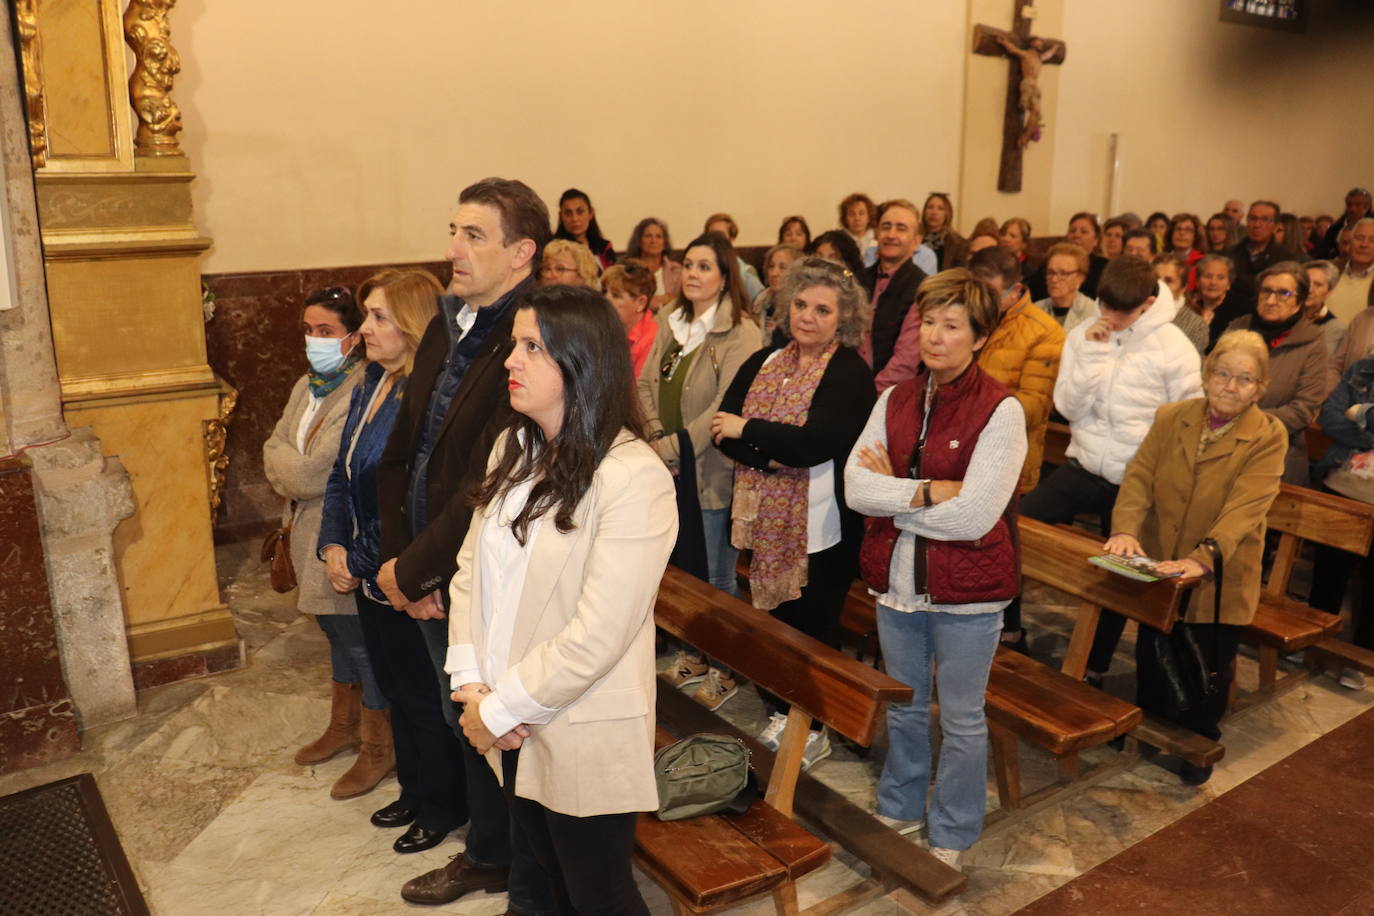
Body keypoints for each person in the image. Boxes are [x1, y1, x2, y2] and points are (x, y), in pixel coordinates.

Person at [444, 285, 675, 916]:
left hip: (579, 720)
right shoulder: (514, 448)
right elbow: (469, 572)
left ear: (580, 362)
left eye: (531, 348)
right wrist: (471, 682)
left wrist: (500, 709)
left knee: (598, 895)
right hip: (511, 715)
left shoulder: (633, 478)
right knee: (543, 874)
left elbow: (598, 633)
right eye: (514, 345)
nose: (511, 362)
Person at [375, 178, 556, 912]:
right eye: (454, 230)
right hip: (422, 569)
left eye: (473, 236)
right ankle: (489, 845)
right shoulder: (451, 324)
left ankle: (503, 858)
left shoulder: (529, 337)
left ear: (521, 252)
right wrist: (397, 564)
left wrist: (419, 568)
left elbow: (489, 477)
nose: (453, 250)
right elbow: (403, 452)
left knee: (488, 720)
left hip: (477, 570)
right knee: (459, 715)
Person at [845, 268, 1027, 871]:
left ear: (979, 338)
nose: (936, 337)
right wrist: (925, 495)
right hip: (898, 586)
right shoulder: (894, 398)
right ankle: (900, 802)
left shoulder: (1001, 410)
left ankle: (952, 826)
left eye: (953, 326)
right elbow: (854, 487)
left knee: (964, 716)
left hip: (969, 595)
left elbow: (975, 518)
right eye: (929, 323)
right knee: (904, 703)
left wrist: (892, 498)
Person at [711, 258, 875, 767]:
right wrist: (769, 450)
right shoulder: (764, 362)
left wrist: (752, 432)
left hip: (823, 527)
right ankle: (785, 710)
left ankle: (817, 724)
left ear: (843, 319)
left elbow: (816, 444)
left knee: (814, 627)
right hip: (767, 521)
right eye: (801, 305)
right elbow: (721, 431)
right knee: (776, 623)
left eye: (823, 310)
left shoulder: (848, 371)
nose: (808, 317)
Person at [1105, 329, 1285, 784]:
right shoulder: (1173, 416)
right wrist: (1126, 528)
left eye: (1245, 379)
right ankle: (1150, 728)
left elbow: (1247, 505)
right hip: (1161, 559)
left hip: (1220, 572)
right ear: (1206, 375)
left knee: (1207, 666)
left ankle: (1196, 748)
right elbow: (1140, 474)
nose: (1230, 385)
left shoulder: (1268, 435)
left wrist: (1203, 557)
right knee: (1153, 650)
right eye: (1222, 373)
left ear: (1260, 387)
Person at [1022, 256, 1202, 668]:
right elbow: (1066, 407)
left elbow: (1186, 425)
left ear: (1148, 302)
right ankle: (1010, 630)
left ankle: (1096, 666)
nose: (1110, 317)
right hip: (1083, 465)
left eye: (1122, 311)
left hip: (1136, 482)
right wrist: (1095, 355)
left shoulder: (1175, 348)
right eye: (1104, 306)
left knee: (1123, 574)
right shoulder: (1085, 333)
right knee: (1018, 526)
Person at [317, 270, 445, 829]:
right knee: (393, 688)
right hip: (365, 567)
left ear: (413, 326)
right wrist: (332, 544)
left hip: (401, 570)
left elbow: (405, 500)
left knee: (422, 698)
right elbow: (342, 476)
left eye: (378, 317)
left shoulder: (425, 394)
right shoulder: (372, 381)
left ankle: (441, 807)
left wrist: (362, 559)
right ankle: (414, 792)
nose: (365, 328)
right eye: (367, 315)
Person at [638, 231, 761, 710]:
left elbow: (718, 410)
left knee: (717, 577)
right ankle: (695, 654)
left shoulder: (741, 332)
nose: (692, 273)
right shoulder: (673, 321)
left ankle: (725, 667)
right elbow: (645, 382)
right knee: (683, 569)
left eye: (704, 266)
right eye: (688, 264)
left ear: (726, 275)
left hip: (710, 473)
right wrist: (653, 437)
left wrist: (664, 449)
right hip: (668, 468)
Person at [265, 286, 376, 797]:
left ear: (353, 338)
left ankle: (379, 745)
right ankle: (343, 726)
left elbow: (312, 472)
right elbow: (273, 444)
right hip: (302, 527)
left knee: (356, 639)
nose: (315, 340)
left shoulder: (359, 388)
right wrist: (288, 467)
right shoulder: (303, 386)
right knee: (333, 635)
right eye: (309, 330)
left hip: (337, 534)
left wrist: (287, 469)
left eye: (326, 331)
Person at [1223, 261, 1335, 486]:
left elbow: (1304, 409)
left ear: (1299, 300)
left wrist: (1247, 421)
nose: (1272, 301)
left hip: (1276, 454)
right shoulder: (1237, 328)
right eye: (1266, 291)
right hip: (1223, 447)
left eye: (1283, 293)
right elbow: (1212, 379)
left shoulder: (1312, 342)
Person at [1309, 352, 1374, 690]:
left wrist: (1360, 414)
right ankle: (1314, 643)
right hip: (1342, 484)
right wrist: (1369, 429)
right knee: (1328, 573)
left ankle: (1359, 658)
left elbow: (1348, 419)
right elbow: (1330, 418)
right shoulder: (1362, 369)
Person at [860, 199, 929, 376]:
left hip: (889, 392)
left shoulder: (923, 288)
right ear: (877, 234)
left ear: (916, 241)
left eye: (901, 228)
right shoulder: (858, 279)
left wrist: (870, 397)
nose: (891, 235)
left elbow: (906, 362)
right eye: (886, 226)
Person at [1026, 213, 1107, 301]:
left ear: (1096, 239)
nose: (1076, 235)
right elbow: (1034, 292)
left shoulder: (1104, 267)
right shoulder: (1052, 262)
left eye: (1084, 232)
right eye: (1072, 231)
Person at [601, 260, 659, 379]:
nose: (605, 299)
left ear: (641, 303)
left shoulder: (652, 340)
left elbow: (637, 390)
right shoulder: (602, 327)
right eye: (604, 292)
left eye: (616, 295)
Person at [1225, 200, 1288, 297]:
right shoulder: (1230, 254)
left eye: (1265, 219)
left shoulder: (1284, 258)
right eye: (1253, 218)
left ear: (1276, 226)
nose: (1257, 225)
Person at [1191, 253, 1250, 352]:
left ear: (1229, 283)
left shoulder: (1242, 309)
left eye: (1220, 278)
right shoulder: (1189, 307)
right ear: (1198, 281)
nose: (1213, 282)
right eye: (1208, 276)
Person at [1033, 242, 1097, 333]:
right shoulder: (1036, 310)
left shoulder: (1092, 313)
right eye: (1051, 272)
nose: (1054, 279)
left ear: (1079, 278)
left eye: (1063, 273)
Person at [703, 213, 766, 303]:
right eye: (711, 234)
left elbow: (760, 304)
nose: (715, 239)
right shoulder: (700, 269)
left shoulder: (746, 272)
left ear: (731, 238)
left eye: (721, 234)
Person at [1156, 253, 1208, 355]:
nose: (1160, 285)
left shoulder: (1195, 325)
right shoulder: (1134, 314)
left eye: (1168, 281)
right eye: (1155, 278)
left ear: (1183, 288)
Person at [754, 243, 805, 344]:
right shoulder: (760, 301)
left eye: (783, 267)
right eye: (771, 266)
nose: (774, 273)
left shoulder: (801, 306)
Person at [625, 217, 679, 311]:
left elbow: (683, 302)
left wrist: (670, 299)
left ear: (664, 243)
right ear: (639, 241)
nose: (653, 241)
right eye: (648, 236)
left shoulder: (676, 270)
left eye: (658, 236)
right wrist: (654, 301)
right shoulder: (627, 270)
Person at [1326, 217, 1374, 324]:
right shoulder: (1329, 269)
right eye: (1359, 238)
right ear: (1350, 242)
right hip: (1323, 337)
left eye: (1372, 240)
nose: (1364, 245)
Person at [552, 188, 614, 269]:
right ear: (561, 216)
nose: (574, 218)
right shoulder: (554, 251)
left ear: (590, 213)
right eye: (568, 213)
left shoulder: (603, 248)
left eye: (580, 212)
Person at [1313, 187, 1372, 260]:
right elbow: (1323, 254)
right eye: (1349, 204)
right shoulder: (1334, 229)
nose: (1352, 209)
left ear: (1367, 207)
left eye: (1358, 205)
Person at [1305, 259, 1347, 357]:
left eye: (1318, 285)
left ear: (1329, 292)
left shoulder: (1334, 329)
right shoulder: (1283, 315)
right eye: (1306, 282)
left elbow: (1320, 364)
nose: (1310, 289)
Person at [921, 192, 969, 270]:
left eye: (940, 208)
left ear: (947, 214)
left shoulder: (959, 244)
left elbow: (961, 274)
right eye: (930, 207)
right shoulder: (914, 237)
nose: (934, 212)